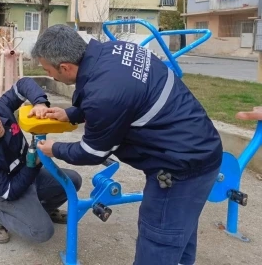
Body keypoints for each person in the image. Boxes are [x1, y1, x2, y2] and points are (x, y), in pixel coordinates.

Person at [29, 24, 223, 265]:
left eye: (50, 71)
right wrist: (71, 114)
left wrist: (54, 149)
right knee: (179, 227)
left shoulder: (104, 95)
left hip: (181, 166)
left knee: (159, 237)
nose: (52, 76)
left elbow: (92, 152)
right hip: (200, 147)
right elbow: (124, 99)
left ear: (65, 67)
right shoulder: (115, 50)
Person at [0, 77, 82, 244]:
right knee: (41, 232)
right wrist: (33, 165)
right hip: (7, 193)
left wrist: (39, 102)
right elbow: (11, 191)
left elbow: (23, 84)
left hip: (29, 175)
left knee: (72, 181)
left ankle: (45, 210)